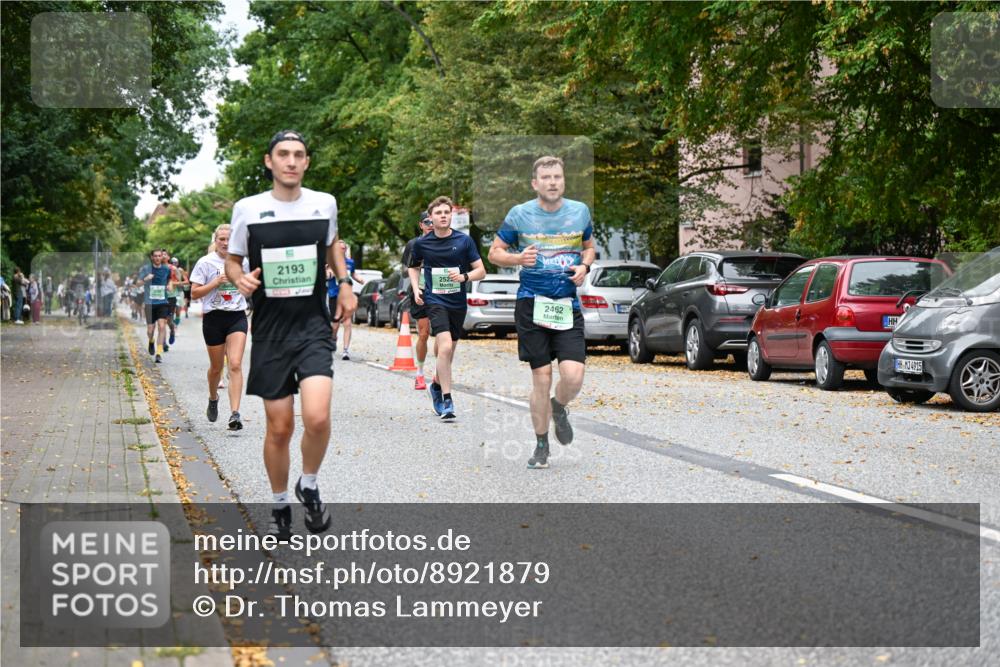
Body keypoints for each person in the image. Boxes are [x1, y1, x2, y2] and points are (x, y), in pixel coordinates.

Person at [225, 129, 356, 539]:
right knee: (279, 427)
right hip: (270, 329)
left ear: (307, 163)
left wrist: (346, 282)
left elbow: (333, 244)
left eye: (299, 155)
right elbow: (232, 259)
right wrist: (240, 279)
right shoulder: (248, 209)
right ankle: (280, 503)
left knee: (317, 417)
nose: (291, 161)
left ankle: (309, 484)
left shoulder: (324, 204)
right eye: (283, 154)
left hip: (313, 326)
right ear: (269, 161)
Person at [487, 156, 596, 469]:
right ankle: (541, 445)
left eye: (557, 177)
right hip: (532, 303)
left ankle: (558, 407)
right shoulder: (519, 214)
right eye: (546, 177)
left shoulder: (579, 211)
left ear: (564, 181)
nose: (552, 182)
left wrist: (585, 266)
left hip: (566, 304)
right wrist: (519, 258)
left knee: (573, 377)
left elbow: (589, 246)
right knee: (542, 377)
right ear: (535, 183)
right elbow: (495, 253)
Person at [407, 196, 486, 421]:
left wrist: (464, 277)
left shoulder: (464, 241)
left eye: (446, 212)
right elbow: (413, 267)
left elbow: (481, 271)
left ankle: (436, 384)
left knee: (449, 350)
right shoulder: (422, 243)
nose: (443, 216)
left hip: (457, 302)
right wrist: (416, 289)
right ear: (430, 218)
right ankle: (446, 399)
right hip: (435, 300)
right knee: (445, 348)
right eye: (438, 213)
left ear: (451, 215)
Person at [191, 224, 250, 431]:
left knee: (235, 363)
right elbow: (195, 294)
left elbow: (251, 285)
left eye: (229, 239)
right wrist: (216, 282)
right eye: (221, 239)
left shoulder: (244, 261)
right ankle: (213, 397)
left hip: (237, 316)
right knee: (216, 368)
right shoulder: (205, 263)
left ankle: (235, 414)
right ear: (215, 241)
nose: (225, 243)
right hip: (214, 318)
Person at [401, 215, 435, 389]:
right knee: (424, 333)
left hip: (440, 292)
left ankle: (439, 373)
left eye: (433, 221)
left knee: (444, 334)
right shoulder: (414, 244)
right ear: (421, 225)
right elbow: (408, 270)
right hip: (420, 292)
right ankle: (420, 373)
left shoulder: (444, 242)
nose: (431, 225)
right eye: (427, 222)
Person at [325, 241, 364, 360]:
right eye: (340, 248)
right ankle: (333, 337)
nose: (342, 250)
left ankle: (345, 351)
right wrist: (328, 273)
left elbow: (352, 274)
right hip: (334, 296)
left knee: (347, 323)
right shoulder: (330, 262)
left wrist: (359, 279)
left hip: (346, 296)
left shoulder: (350, 262)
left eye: (344, 248)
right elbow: (326, 276)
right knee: (335, 324)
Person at [140, 249, 172, 363]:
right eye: (156, 256)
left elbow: (169, 280)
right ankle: (151, 341)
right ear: (152, 257)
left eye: (159, 256)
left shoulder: (166, 269)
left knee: (162, 326)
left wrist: (169, 285)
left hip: (162, 302)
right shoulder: (146, 269)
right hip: (149, 303)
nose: (158, 258)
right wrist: (145, 279)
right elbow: (137, 283)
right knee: (150, 330)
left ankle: (159, 353)